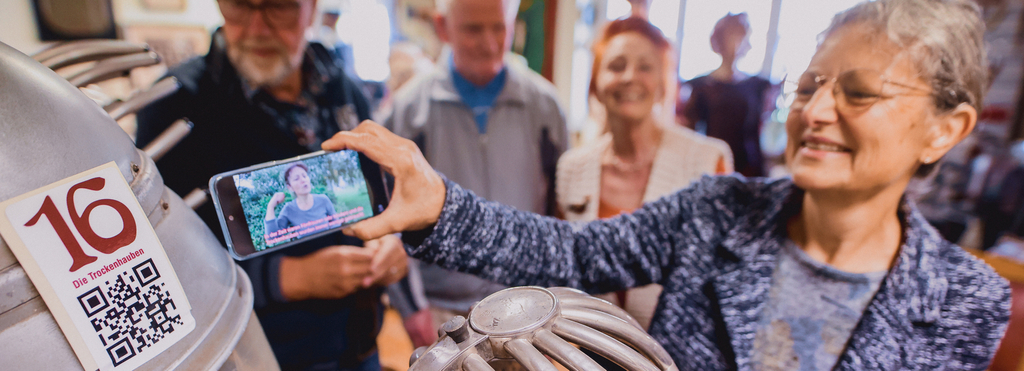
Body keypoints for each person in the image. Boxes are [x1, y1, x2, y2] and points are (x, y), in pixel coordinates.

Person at [326, 0, 1012, 369]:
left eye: (859, 93)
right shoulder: (719, 210)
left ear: (944, 129)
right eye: (810, 85)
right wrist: (441, 204)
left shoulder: (968, 298)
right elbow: (571, 253)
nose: (815, 111)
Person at [134, 0, 407, 369]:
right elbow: (157, 263)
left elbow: (379, 195)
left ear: (311, 8)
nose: (257, 27)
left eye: (279, 7)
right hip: (258, 356)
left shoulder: (342, 88)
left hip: (359, 344)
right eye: (239, 6)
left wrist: (389, 240)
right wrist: (283, 278)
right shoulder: (174, 104)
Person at [381, 0, 568, 331]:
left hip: (527, 307)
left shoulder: (544, 106)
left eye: (500, 28)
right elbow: (390, 222)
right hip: (442, 312)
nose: (490, 44)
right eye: (473, 29)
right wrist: (412, 310)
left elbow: (561, 211)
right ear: (442, 27)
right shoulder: (408, 112)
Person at [556, 17, 733, 330]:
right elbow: (563, 273)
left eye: (645, 67)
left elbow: (720, 280)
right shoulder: (572, 167)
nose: (629, 77)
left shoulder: (708, 160)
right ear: (595, 82)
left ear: (663, 82)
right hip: (591, 353)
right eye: (616, 65)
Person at [681, 13, 772, 177]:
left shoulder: (758, 85)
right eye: (740, 37)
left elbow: (759, 131)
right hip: (713, 166)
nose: (746, 44)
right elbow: (691, 133)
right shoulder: (701, 86)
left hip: (750, 169)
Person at [264, 163, 337, 242]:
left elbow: (336, 224)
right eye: (296, 179)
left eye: (304, 176)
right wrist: (270, 206)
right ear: (290, 187)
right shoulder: (289, 209)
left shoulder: (323, 200)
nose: (303, 180)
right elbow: (272, 238)